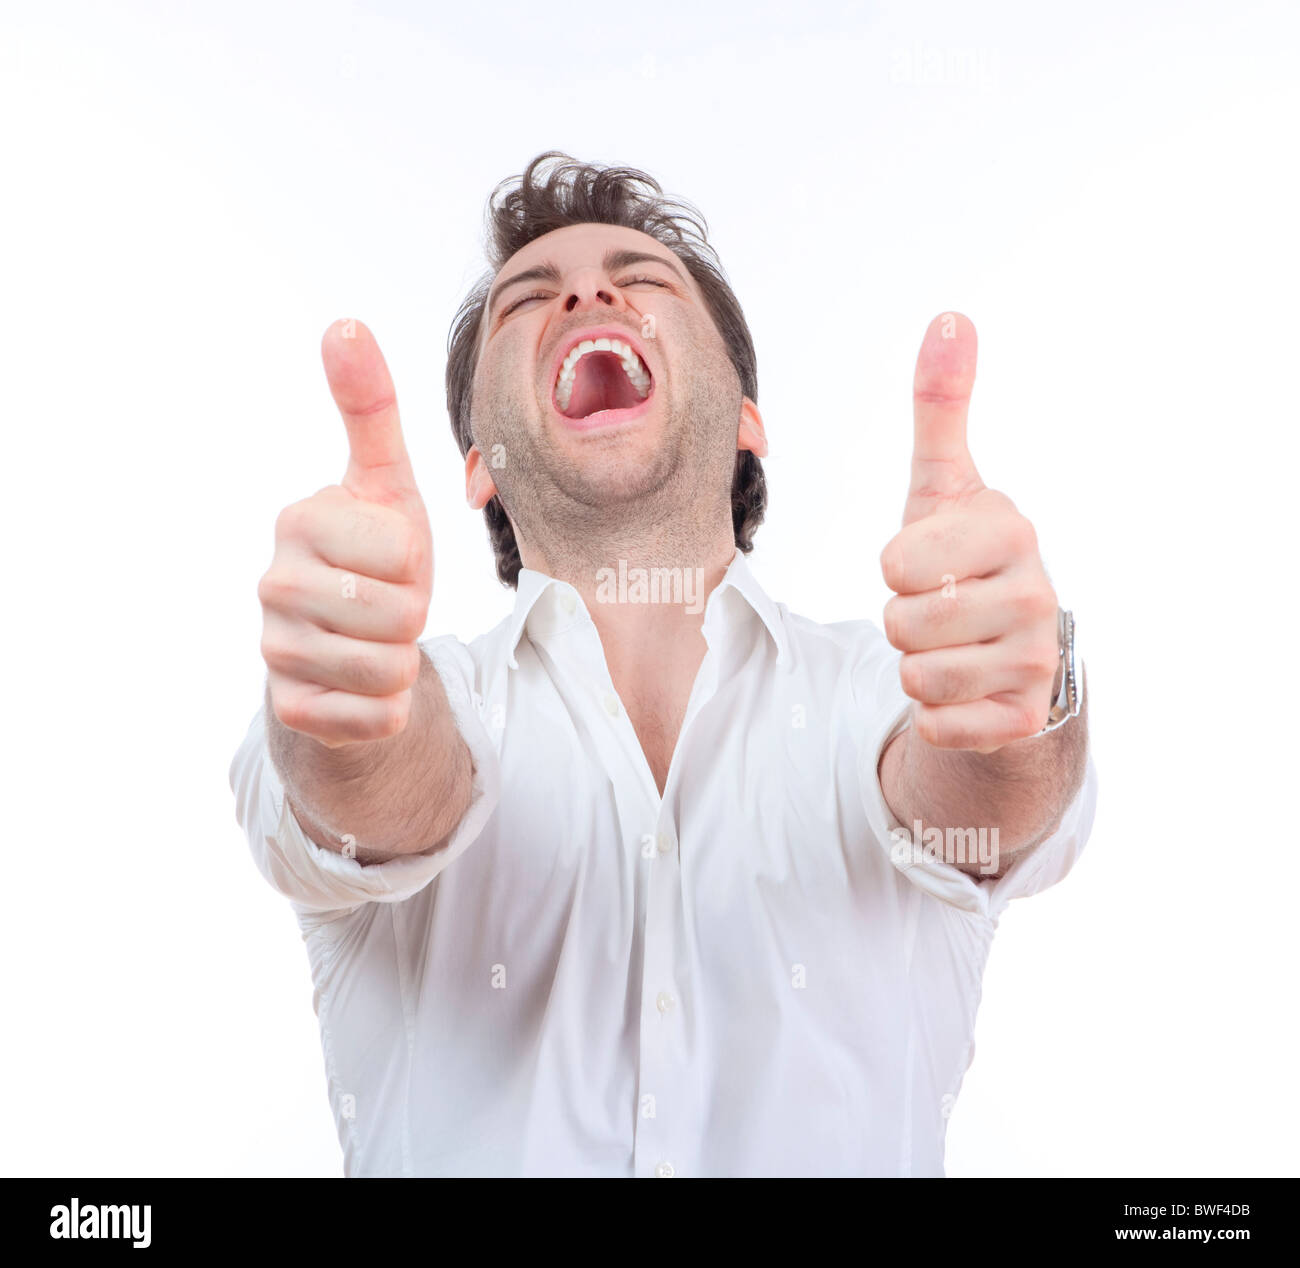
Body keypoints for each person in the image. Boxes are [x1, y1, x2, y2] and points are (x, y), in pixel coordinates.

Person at [229, 152, 1095, 1177]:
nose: (590, 292)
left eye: (642, 278)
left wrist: (1011, 705)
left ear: (745, 420)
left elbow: (980, 797)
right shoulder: (432, 699)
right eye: (525, 300)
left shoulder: (876, 688)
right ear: (477, 466)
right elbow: (376, 790)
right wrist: (345, 710)